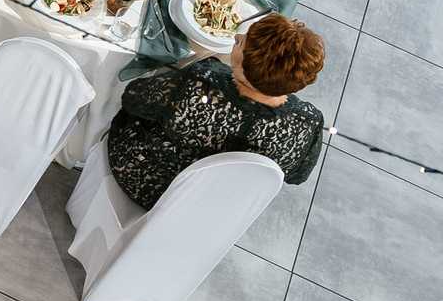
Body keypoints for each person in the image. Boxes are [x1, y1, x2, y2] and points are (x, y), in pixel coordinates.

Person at [104, 17, 328, 211]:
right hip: (212, 210)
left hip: (143, 182)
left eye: (243, 42)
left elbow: (133, 98)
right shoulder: (309, 123)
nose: (237, 36)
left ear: (248, 65)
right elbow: (297, 176)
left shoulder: (201, 81)